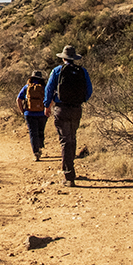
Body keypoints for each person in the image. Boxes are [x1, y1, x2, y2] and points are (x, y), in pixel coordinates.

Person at [43, 45, 93, 187]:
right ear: (74, 58)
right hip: (76, 109)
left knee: (65, 140)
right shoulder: (82, 71)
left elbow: (49, 89)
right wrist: (79, 100)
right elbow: (89, 91)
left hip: (61, 109)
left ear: (63, 58)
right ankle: (71, 170)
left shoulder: (57, 71)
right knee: (72, 137)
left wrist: (47, 106)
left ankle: (69, 175)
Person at [16, 70, 48, 161]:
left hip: (29, 113)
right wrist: (48, 109)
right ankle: (40, 146)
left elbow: (18, 99)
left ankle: (36, 152)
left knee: (33, 133)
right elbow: (49, 99)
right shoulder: (44, 87)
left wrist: (22, 111)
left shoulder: (27, 87)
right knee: (41, 130)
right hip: (42, 113)